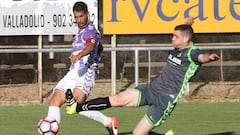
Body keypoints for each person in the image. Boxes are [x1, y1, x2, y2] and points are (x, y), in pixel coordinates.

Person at [66, 22, 220, 135]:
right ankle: (77, 107)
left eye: (175, 36)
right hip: (151, 89)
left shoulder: (192, 53)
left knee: (138, 134)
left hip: (164, 101)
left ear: (185, 40)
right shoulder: (180, 44)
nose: (172, 38)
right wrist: (188, 22)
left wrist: (209, 57)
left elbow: (201, 56)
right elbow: (185, 30)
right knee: (118, 99)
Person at [44, 1, 117, 135]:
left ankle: (108, 122)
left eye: (81, 16)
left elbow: (89, 46)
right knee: (54, 100)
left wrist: (81, 55)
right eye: (76, 17)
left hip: (86, 71)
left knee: (77, 104)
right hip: (73, 72)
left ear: (88, 15)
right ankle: (50, 132)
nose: (79, 20)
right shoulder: (80, 32)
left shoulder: (90, 30)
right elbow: (97, 47)